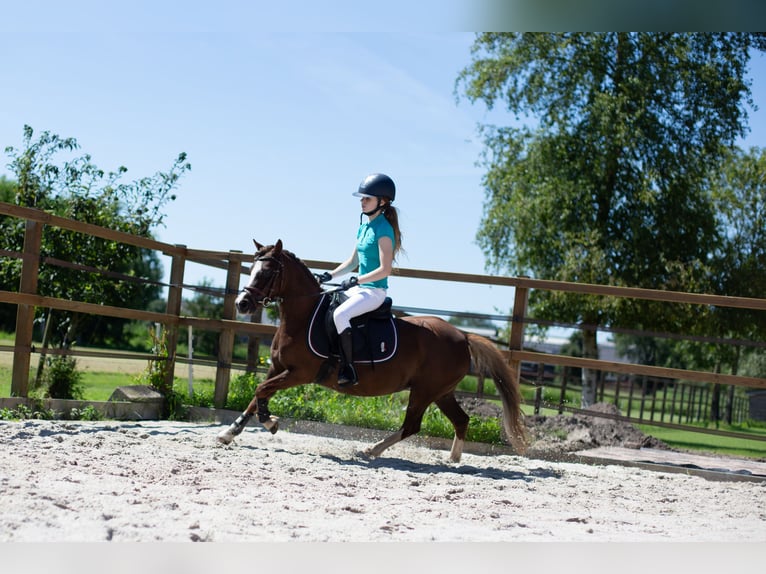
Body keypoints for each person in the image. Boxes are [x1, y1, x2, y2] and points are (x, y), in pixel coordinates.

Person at [317, 173, 403, 387]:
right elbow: (352, 260)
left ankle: (349, 369)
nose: (362, 202)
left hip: (374, 292)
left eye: (367, 198)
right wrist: (330, 275)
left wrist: (356, 280)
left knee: (340, 313)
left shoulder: (384, 230)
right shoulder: (364, 227)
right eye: (362, 198)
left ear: (382, 202)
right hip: (360, 288)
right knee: (327, 305)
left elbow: (385, 269)